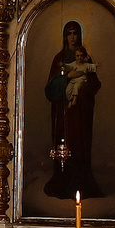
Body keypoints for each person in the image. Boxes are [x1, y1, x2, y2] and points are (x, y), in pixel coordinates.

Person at [42, 21, 103, 199]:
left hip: (81, 113)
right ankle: (63, 181)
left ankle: (81, 183)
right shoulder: (59, 59)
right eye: (69, 33)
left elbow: (95, 83)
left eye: (75, 33)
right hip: (63, 114)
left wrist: (84, 88)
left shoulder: (86, 59)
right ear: (65, 36)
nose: (73, 36)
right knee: (64, 146)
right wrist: (68, 78)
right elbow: (50, 89)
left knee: (80, 146)